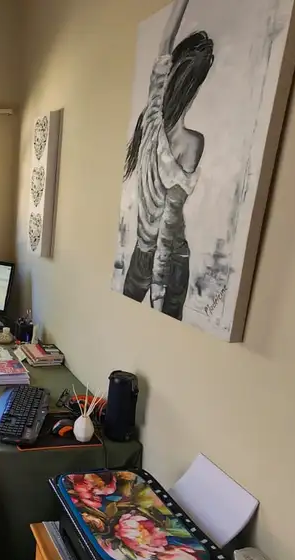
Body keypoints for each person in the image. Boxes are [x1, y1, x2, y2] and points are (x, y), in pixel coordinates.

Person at [122, 0, 214, 320]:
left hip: (157, 254)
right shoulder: (189, 142)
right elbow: (169, 220)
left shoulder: (152, 116)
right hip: (159, 255)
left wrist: (158, 282)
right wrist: (158, 283)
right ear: (197, 84)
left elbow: (169, 222)